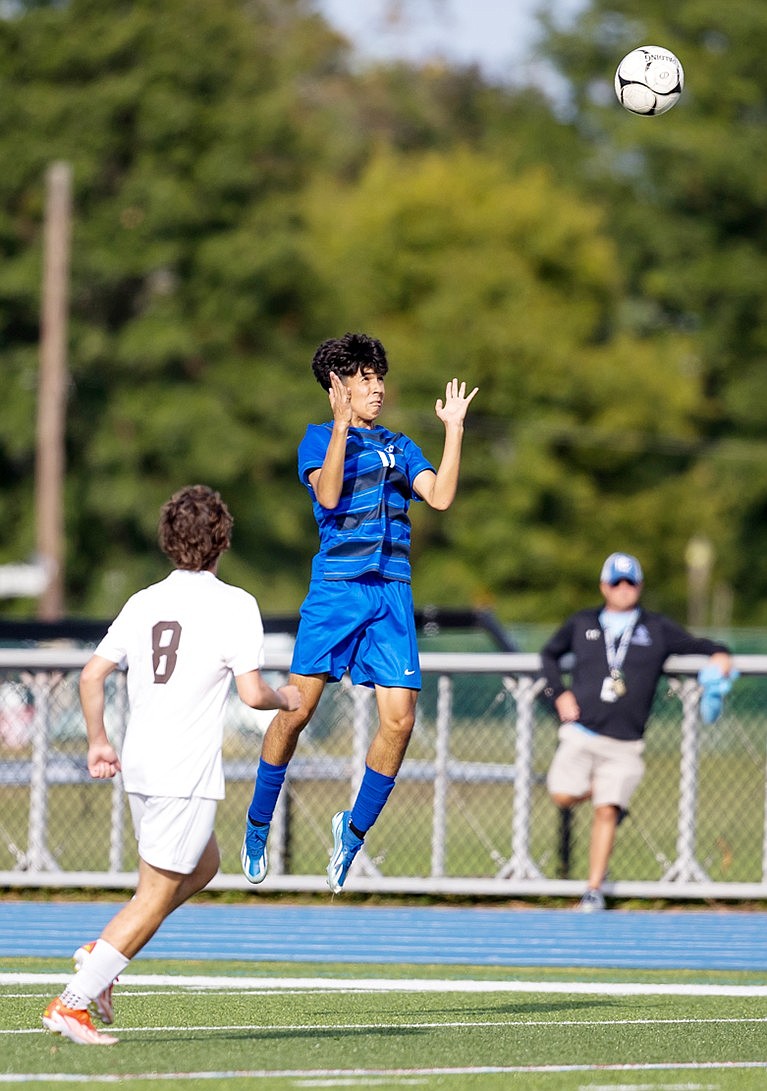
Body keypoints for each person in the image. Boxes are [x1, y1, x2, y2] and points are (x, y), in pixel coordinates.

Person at [42, 485, 300, 1045]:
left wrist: (97, 743)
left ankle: (104, 952)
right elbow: (254, 696)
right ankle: (74, 1000)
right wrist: (289, 698)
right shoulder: (236, 604)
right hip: (182, 771)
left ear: (168, 541)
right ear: (222, 540)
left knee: (203, 865)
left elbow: (90, 676)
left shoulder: (143, 601)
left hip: (141, 761)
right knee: (156, 898)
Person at [241, 332, 478, 894]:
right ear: (338, 387)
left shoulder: (401, 444)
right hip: (337, 591)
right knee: (296, 712)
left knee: (400, 720)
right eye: (365, 379)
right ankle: (256, 824)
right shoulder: (319, 438)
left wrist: (454, 431)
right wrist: (343, 426)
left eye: (379, 378)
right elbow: (326, 496)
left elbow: (439, 496)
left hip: (391, 592)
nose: (378, 388)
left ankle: (351, 832)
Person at [540, 551, 733, 913]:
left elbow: (698, 646)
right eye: (616, 582)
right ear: (604, 586)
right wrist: (558, 694)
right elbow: (548, 656)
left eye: (630, 582)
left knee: (607, 811)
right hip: (581, 732)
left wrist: (721, 654)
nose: (623, 589)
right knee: (563, 795)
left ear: (640, 587)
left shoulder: (655, 628)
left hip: (625, 743)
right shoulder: (582, 622)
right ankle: (602, 795)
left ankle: (594, 889)